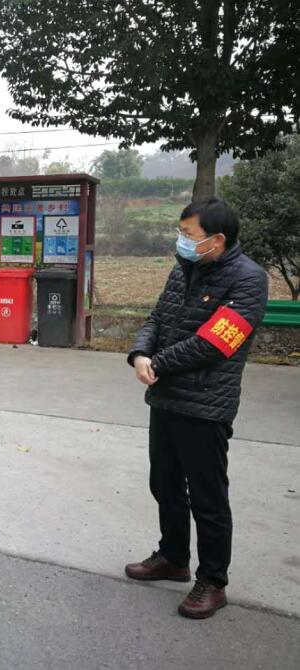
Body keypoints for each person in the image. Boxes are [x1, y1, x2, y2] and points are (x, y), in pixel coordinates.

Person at [125, 197, 268, 619]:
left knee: (208, 497)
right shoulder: (183, 269)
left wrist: (158, 363)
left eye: (189, 234)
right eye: (181, 232)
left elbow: (216, 343)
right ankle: (173, 557)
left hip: (206, 405)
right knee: (164, 482)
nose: (182, 241)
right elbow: (157, 319)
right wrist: (139, 353)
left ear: (217, 239)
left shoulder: (249, 280)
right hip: (166, 397)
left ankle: (213, 581)